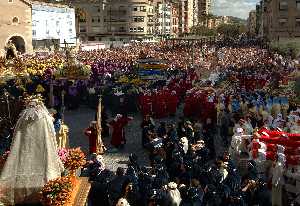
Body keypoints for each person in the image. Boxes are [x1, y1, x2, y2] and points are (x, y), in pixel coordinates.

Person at [0, 96, 64, 205]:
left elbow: (15, 137)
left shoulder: (22, 119)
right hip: (43, 149)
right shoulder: (44, 118)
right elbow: (52, 135)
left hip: (25, 149)